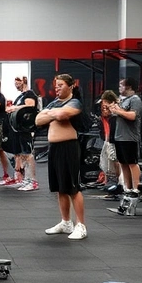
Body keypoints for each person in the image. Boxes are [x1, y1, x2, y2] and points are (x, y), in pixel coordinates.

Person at [35, 74, 87, 240]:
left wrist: (50, 113)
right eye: (56, 85)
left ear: (71, 86)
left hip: (69, 148)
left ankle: (81, 225)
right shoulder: (53, 103)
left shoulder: (75, 102)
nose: (57, 88)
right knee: (60, 188)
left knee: (73, 188)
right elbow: (37, 120)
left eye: (61, 85)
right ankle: (66, 223)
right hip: (55, 148)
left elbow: (63, 115)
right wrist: (53, 112)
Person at [109, 78, 142, 215]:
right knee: (123, 163)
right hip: (119, 136)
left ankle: (135, 188)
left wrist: (118, 111)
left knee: (132, 163)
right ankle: (127, 187)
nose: (119, 87)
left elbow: (132, 116)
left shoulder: (135, 100)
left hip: (130, 137)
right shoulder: (122, 100)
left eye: (121, 85)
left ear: (128, 86)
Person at [5, 76, 38, 191]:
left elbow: (30, 106)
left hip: (26, 129)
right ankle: (25, 180)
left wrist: (15, 108)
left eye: (17, 82)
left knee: (28, 155)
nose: (15, 84)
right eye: (14, 82)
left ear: (23, 81)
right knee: (22, 154)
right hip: (19, 129)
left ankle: (32, 182)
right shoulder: (21, 96)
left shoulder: (29, 94)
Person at [98, 90, 123, 200]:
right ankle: (113, 186)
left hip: (115, 140)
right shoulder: (109, 116)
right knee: (108, 163)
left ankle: (118, 186)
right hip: (110, 139)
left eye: (105, 105)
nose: (104, 108)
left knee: (115, 162)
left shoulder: (116, 113)